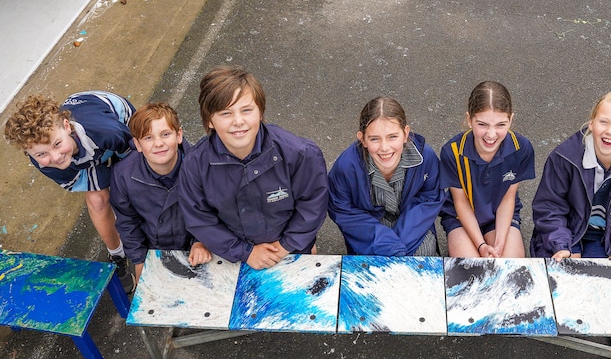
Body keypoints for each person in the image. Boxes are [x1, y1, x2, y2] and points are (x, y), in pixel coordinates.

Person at [179, 66, 329, 269]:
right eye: (225, 113)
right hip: (233, 253)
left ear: (260, 112)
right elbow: (199, 218)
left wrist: (288, 245)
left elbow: (313, 202)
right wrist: (244, 252)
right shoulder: (195, 165)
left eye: (247, 110)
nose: (238, 121)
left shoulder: (300, 154)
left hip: (288, 248)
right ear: (210, 120)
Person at [3, 91, 137, 292]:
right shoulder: (44, 163)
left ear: (67, 126)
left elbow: (133, 158)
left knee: (133, 184)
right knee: (98, 199)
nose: (55, 157)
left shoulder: (106, 130)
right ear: (29, 153)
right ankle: (116, 254)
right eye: (41, 153)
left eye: (57, 144)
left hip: (119, 127)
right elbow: (87, 181)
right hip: (90, 150)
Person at [530, 90, 611, 268]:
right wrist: (563, 245)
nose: (610, 131)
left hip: (604, 238)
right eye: (603, 122)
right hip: (564, 231)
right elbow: (549, 207)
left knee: (599, 285)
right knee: (564, 278)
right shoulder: (564, 158)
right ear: (592, 123)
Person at [328, 97, 443, 256]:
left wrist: (399, 244)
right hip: (369, 230)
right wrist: (384, 242)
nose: (384, 148)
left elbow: (430, 197)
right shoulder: (346, 167)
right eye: (374, 139)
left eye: (392, 137)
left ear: (405, 133)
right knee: (371, 270)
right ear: (362, 139)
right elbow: (342, 210)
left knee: (421, 259)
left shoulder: (425, 157)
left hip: (413, 226)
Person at [109, 102, 212, 281]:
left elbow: (211, 208)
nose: (158, 143)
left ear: (179, 135)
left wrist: (201, 240)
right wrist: (140, 261)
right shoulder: (123, 175)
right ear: (137, 144)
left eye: (165, 134)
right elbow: (128, 223)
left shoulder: (200, 166)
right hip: (154, 250)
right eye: (148, 138)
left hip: (196, 246)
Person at [439, 81, 536, 258]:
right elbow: (460, 202)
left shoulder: (522, 148)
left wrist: (499, 244)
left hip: (498, 215)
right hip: (461, 218)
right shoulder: (451, 151)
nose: (491, 134)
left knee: (509, 268)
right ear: (469, 119)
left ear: (511, 119)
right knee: (473, 273)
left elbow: (508, 198)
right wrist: (482, 245)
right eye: (482, 124)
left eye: (501, 125)